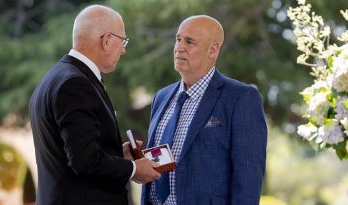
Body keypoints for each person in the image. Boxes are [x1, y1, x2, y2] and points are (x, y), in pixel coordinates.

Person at [29, 5, 160, 205]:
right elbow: (84, 160)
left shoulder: (56, 77)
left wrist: (116, 154)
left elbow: (74, 150)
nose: (124, 50)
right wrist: (134, 169)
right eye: (122, 41)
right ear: (106, 40)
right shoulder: (76, 84)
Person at [141, 15, 267, 205]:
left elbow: (248, 179)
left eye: (189, 41)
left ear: (213, 49)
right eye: (178, 39)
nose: (179, 47)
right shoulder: (161, 97)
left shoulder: (241, 98)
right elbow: (159, 159)